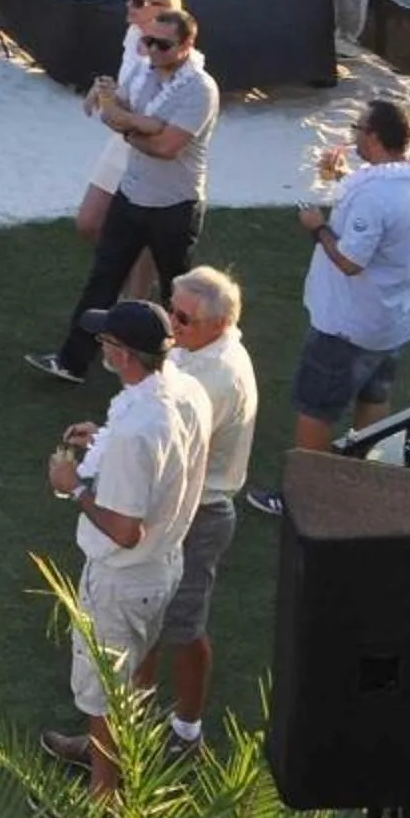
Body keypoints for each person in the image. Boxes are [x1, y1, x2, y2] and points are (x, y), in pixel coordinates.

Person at [39, 300, 213, 791]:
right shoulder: (186, 389)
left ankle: (105, 799)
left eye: (107, 342)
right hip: (164, 562)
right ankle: (116, 767)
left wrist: (73, 484)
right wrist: (103, 439)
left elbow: (124, 529)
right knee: (132, 676)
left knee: (104, 694)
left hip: (124, 574)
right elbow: (163, 456)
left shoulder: (137, 431)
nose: (102, 348)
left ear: (123, 354)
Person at [247, 99, 410, 518]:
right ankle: (362, 480)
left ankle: (302, 497)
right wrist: (344, 178)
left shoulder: (377, 197)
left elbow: (350, 261)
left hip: (351, 324)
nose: (352, 135)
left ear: (373, 136)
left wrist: (317, 227)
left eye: (358, 128)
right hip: (396, 320)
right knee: (374, 396)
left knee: (317, 407)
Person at [31, 6, 218, 384]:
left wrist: (131, 126)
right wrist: (137, 121)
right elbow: (113, 116)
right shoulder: (147, 73)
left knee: (175, 292)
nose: (152, 50)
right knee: (102, 279)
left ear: (187, 45)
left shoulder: (200, 89)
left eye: (162, 45)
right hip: (131, 195)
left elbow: (168, 146)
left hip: (174, 206)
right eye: (148, 42)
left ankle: (180, 370)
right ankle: (72, 360)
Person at [149, 266, 256, 751]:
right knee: (147, 615)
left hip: (198, 512)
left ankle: (187, 731)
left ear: (218, 324)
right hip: (185, 504)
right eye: (170, 308)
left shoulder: (216, 376)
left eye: (182, 318)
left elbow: (166, 447)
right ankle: (129, 718)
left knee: (184, 626)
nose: (170, 323)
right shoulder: (203, 348)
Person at [75, 0, 185, 308]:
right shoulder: (133, 34)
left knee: (141, 231)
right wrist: (105, 90)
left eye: (137, 2)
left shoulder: (174, 53)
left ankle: (136, 306)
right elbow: (129, 85)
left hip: (146, 142)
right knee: (88, 221)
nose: (129, 5)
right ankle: (125, 280)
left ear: (161, 8)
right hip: (121, 140)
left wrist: (121, 113)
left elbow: (161, 106)